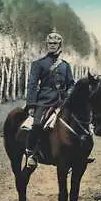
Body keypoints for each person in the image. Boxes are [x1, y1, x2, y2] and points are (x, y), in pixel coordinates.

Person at [24, 29, 75, 168]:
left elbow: (71, 83)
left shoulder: (65, 65)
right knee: (37, 125)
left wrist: (70, 92)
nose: (52, 45)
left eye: (55, 43)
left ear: (60, 45)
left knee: (78, 124)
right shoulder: (39, 64)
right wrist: (31, 105)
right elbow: (32, 85)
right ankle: (32, 154)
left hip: (62, 102)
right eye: (50, 43)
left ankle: (77, 154)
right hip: (44, 102)